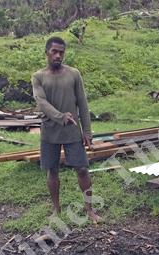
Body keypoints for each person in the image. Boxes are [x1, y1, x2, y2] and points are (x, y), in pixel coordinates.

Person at [31, 36, 101, 223]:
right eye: (54, 51)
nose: (58, 55)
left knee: (82, 170)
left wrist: (87, 131)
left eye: (61, 52)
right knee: (52, 171)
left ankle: (90, 210)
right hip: (49, 131)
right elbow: (41, 102)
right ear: (46, 52)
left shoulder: (74, 74)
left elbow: (83, 104)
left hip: (72, 131)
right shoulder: (38, 76)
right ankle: (56, 209)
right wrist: (60, 117)